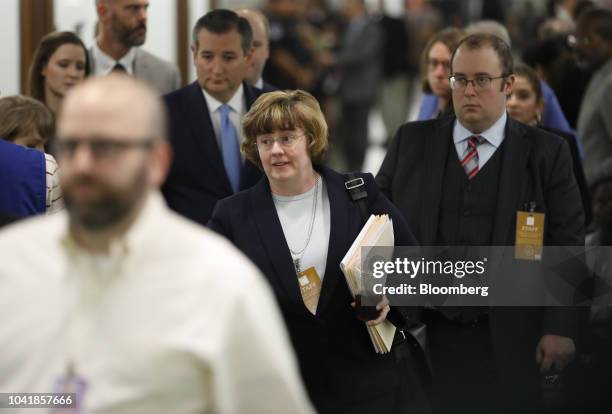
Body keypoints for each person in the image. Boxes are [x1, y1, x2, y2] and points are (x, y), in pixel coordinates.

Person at [0, 75, 316, 414]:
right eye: (70, 146)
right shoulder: (13, 262)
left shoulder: (219, 283)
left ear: (157, 162)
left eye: (106, 147)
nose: (83, 165)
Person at [377, 33, 585, 413]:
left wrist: (561, 327)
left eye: (482, 80)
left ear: (507, 84)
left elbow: (567, 242)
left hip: (511, 336)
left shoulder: (546, 153)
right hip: (426, 334)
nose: (469, 90)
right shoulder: (412, 142)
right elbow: (376, 225)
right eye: (460, 79)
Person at [208, 90, 426, 414]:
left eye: (287, 138)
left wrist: (386, 300)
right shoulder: (232, 215)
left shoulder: (359, 194)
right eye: (265, 141)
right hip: (279, 392)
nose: (276, 150)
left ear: (310, 139)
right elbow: (209, 293)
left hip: (364, 385)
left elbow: (411, 263)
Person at [162, 9, 262, 226]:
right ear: (194, 54)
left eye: (228, 57)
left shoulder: (273, 108)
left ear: (248, 56)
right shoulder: (164, 112)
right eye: (207, 56)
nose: (216, 68)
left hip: (262, 247)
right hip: (191, 245)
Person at [507, 63, 591, 225]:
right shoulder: (487, 144)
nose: (513, 103)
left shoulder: (562, 143)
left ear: (540, 105)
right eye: (507, 96)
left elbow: (582, 209)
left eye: (523, 96)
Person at [91, 0, 180, 94]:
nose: (143, 17)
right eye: (133, 9)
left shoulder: (165, 74)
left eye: (145, 8)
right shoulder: (78, 71)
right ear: (103, 12)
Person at [0, 95, 63, 215]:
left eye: (44, 144)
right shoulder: (46, 169)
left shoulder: (49, 176)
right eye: (31, 145)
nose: (42, 152)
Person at [575, 7, 612, 185]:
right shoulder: (599, 75)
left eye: (588, 39)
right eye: (577, 38)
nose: (580, 46)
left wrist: (590, 177)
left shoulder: (610, 83)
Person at [28, 31, 90, 116]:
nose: (73, 74)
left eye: (80, 67)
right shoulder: (25, 121)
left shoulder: (95, 122)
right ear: (43, 68)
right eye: (63, 65)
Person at [416, 28, 465, 121]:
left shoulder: (468, 117)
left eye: (447, 65)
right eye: (434, 63)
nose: (438, 74)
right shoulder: (429, 101)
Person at [236, 8, 276, 92]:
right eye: (240, 44)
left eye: (255, 45)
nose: (247, 53)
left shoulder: (284, 103)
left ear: (267, 50)